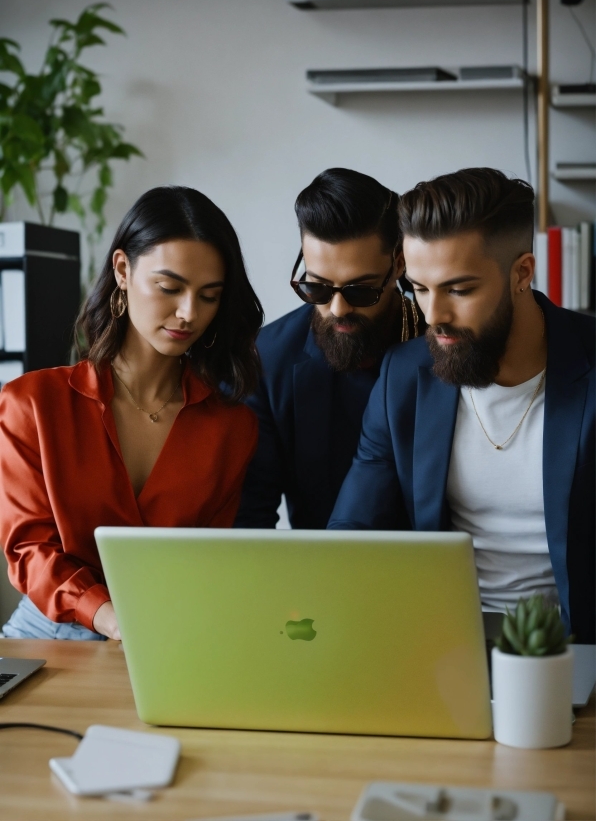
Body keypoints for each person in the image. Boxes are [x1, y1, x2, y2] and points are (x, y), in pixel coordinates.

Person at [329, 168, 595, 643]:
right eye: (420, 288)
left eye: (459, 289)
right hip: (446, 647)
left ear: (522, 273)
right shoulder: (403, 379)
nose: (435, 316)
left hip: (578, 650)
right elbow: (351, 529)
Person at [0, 186, 263, 640]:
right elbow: (29, 549)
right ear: (123, 269)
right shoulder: (32, 404)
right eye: (169, 287)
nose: (187, 313)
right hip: (48, 632)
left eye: (209, 296)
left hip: (165, 634)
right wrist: (108, 616)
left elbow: (210, 560)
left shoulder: (231, 428)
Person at [235, 167, 423, 530]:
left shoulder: (441, 341)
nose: (338, 309)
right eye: (317, 288)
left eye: (360, 290)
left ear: (399, 263)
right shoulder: (269, 360)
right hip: (320, 576)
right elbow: (250, 521)